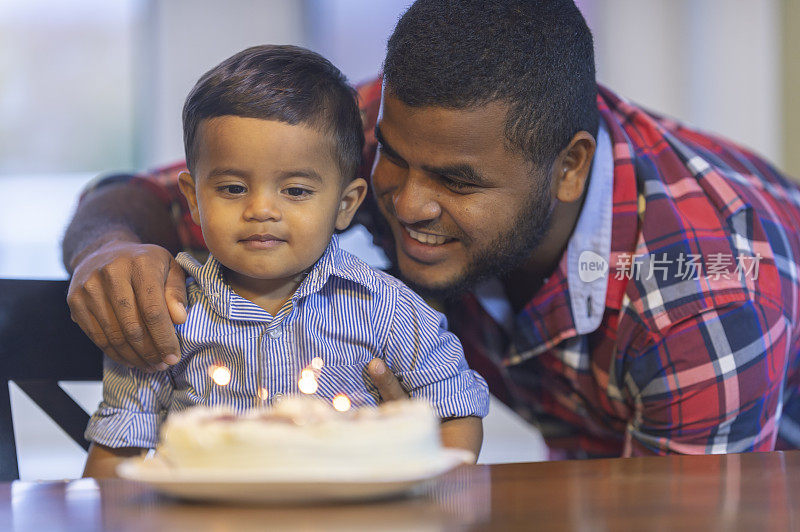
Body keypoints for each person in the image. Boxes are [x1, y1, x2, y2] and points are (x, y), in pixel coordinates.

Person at [64, 0, 800, 459]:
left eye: (456, 181)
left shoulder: (706, 293)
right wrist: (110, 247)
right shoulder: (395, 120)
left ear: (569, 167)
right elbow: (146, 197)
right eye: (393, 158)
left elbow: (686, 515)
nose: (406, 204)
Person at [80, 45, 489, 478]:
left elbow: (456, 411)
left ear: (346, 204)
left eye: (295, 191)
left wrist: (432, 495)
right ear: (193, 200)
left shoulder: (389, 310)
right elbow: (119, 447)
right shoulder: (168, 316)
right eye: (234, 188)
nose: (262, 210)